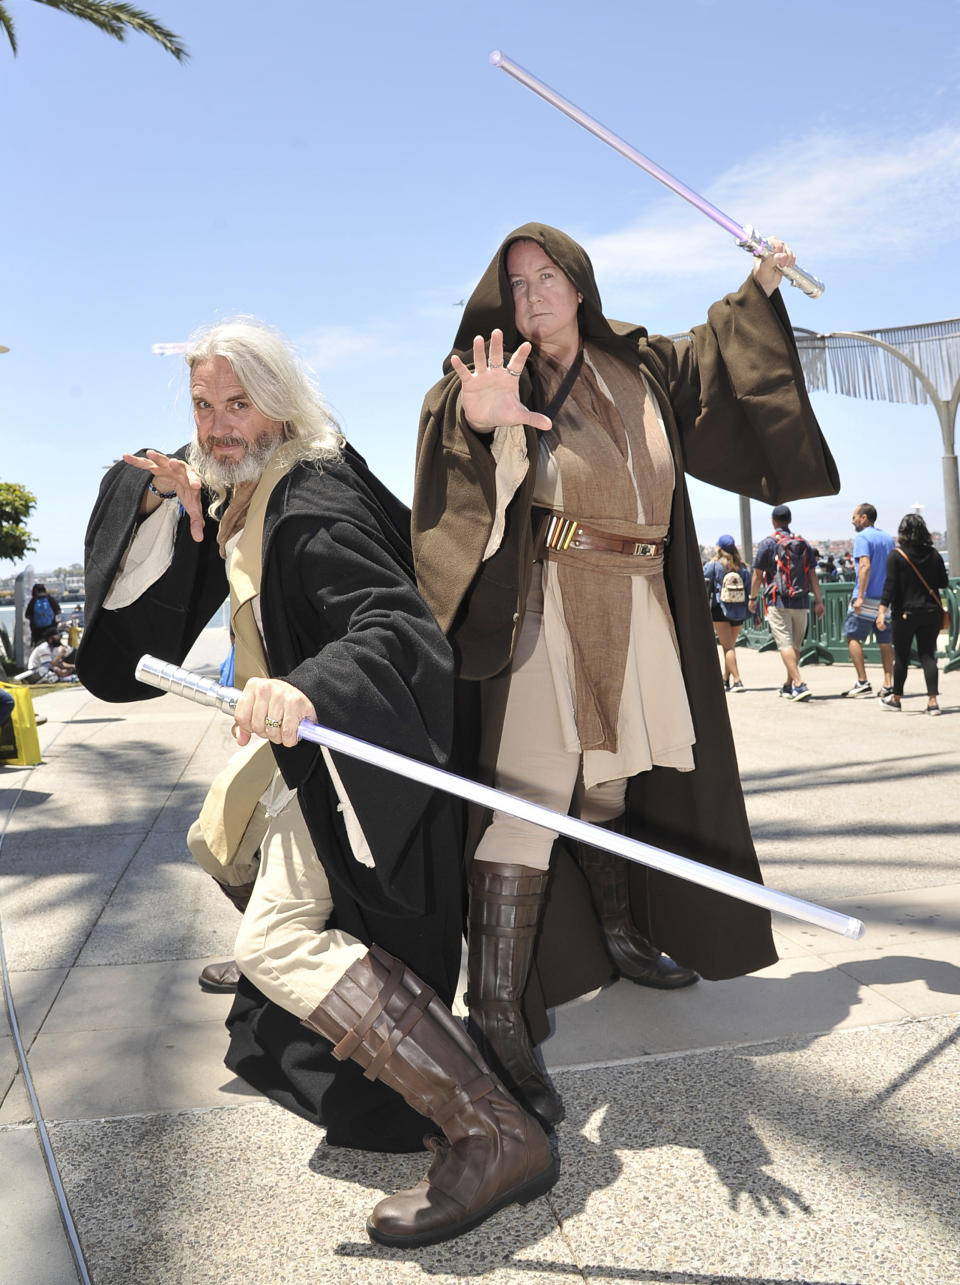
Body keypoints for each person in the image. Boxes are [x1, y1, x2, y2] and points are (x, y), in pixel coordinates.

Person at [77, 319, 555, 1248]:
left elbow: (394, 626)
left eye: (237, 403)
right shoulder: (242, 488)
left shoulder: (310, 502)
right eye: (203, 405)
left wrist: (306, 685)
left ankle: (489, 1128)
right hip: (295, 753)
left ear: (281, 403)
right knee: (218, 833)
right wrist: (164, 510)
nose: (215, 427)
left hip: (343, 752)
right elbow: (140, 626)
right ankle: (315, 966)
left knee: (276, 944)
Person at [412, 222, 839, 1126]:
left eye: (547, 278)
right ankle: (495, 1013)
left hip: (641, 596)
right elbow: (452, 436)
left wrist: (760, 282)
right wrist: (482, 422)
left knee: (607, 785)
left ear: (578, 283)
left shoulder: (638, 365)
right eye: (515, 284)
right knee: (529, 800)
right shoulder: (496, 381)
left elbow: (719, 349)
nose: (531, 296)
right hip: (549, 606)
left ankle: (618, 929)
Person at [749, 505, 824, 701]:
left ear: (773, 521)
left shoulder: (768, 543)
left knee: (785, 644)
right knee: (795, 646)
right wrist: (819, 601)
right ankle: (788, 685)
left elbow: (758, 575)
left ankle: (799, 684)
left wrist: (752, 598)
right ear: (789, 520)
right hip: (801, 600)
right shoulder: (803, 543)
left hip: (778, 599)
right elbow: (812, 575)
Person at [876, 513, 948, 715]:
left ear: (903, 532)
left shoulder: (896, 556)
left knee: (901, 657)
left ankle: (896, 699)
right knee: (928, 656)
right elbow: (943, 582)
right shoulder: (934, 554)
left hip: (905, 614)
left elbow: (889, 587)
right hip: (931, 612)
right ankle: (933, 703)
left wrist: (881, 612)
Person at [842, 504, 895, 698]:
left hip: (866, 596)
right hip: (885, 598)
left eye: (855, 516)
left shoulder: (862, 537)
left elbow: (864, 566)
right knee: (885, 641)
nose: (852, 520)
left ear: (864, 518)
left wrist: (860, 596)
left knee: (852, 636)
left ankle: (862, 682)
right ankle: (888, 683)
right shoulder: (888, 538)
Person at [703, 534, 751, 691]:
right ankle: (725, 679)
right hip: (739, 610)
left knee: (727, 647)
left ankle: (737, 681)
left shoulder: (714, 565)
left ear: (719, 548)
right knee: (730, 646)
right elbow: (749, 590)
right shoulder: (743, 567)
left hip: (720, 610)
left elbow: (703, 580)